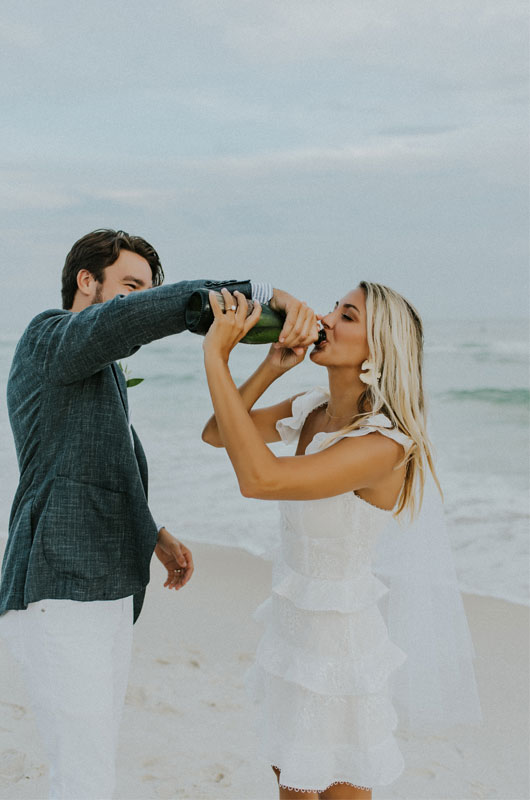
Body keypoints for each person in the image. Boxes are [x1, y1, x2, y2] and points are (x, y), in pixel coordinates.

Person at [0, 228, 318, 800]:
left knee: (93, 758)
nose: (137, 300)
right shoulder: (50, 337)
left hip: (105, 583)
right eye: (128, 286)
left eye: (148, 289)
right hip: (59, 582)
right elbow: (129, 321)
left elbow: (92, 462)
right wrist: (266, 293)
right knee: (82, 775)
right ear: (86, 281)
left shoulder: (99, 367)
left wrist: (155, 534)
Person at [201, 282, 481, 799]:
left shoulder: (382, 444)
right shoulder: (312, 408)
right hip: (293, 632)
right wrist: (270, 367)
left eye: (346, 315)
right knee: (291, 788)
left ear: (378, 348)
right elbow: (219, 431)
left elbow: (260, 479)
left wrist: (216, 356)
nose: (325, 318)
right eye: (333, 306)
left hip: (339, 649)